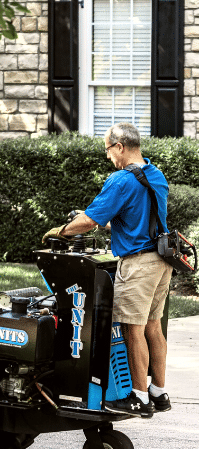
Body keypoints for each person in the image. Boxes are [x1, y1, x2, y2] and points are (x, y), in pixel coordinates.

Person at [42, 122, 173, 419]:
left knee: (133, 330)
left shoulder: (121, 180)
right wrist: (111, 225)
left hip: (139, 265)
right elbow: (142, 219)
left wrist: (60, 231)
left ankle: (138, 397)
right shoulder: (156, 175)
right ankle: (158, 391)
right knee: (153, 326)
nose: (108, 157)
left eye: (108, 150)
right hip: (161, 262)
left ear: (120, 147)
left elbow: (88, 220)